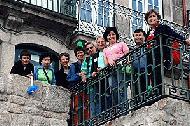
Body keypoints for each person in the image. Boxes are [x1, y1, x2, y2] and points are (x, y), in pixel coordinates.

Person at [145, 9, 190, 96]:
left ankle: (159, 94)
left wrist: (185, 40)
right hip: (151, 58)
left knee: (158, 73)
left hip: (162, 56)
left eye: (154, 16)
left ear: (158, 18)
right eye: (149, 17)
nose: (152, 18)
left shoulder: (163, 27)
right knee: (152, 75)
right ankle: (154, 93)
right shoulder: (148, 33)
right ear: (147, 20)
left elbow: (173, 34)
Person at [103, 27, 129, 107]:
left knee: (121, 87)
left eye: (113, 34)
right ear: (106, 37)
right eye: (109, 35)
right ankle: (118, 108)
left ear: (116, 35)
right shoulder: (105, 50)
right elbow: (105, 62)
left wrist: (117, 59)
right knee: (113, 89)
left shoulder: (121, 44)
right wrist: (110, 60)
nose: (111, 36)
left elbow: (127, 55)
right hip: (111, 70)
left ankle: (124, 108)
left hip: (120, 67)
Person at [67, 47, 88, 126]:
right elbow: (69, 78)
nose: (80, 54)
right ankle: (77, 123)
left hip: (87, 89)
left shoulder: (87, 63)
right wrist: (79, 75)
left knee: (86, 106)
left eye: (81, 52)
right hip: (77, 89)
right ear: (76, 55)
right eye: (78, 53)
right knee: (77, 107)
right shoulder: (73, 65)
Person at [132, 29, 148, 106]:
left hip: (146, 71)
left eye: (140, 35)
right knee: (137, 91)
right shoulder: (132, 50)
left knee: (146, 89)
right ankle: (138, 105)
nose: (138, 37)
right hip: (136, 72)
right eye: (136, 35)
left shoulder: (148, 47)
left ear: (144, 37)